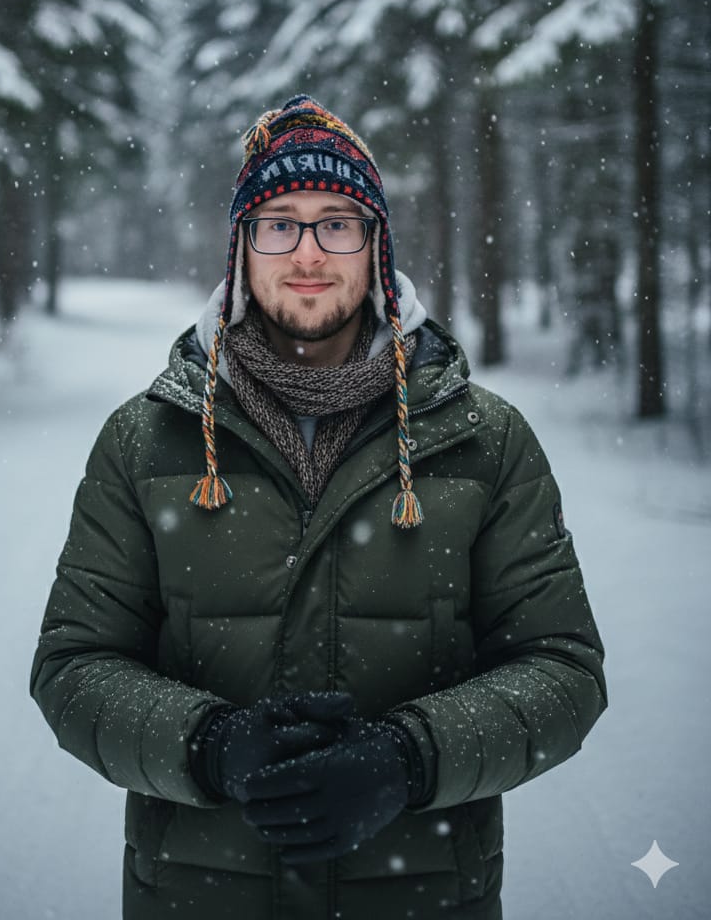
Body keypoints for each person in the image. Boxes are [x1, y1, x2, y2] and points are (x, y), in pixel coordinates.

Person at [30, 95, 607, 920]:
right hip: (200, 898)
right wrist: (209, 746)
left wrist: (410, 758)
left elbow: (564, 668)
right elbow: (73, 665)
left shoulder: (484, 440)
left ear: (377, 246)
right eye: (278, 223)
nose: (307, 252)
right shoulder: (145, 440)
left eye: (338, 222)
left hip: (423, 897)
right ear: (240, 247)